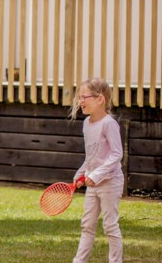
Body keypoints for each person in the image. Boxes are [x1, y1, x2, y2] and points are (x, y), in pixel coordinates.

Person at [70, 78, 124, 263]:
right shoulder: (86, 123)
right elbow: (92, 155)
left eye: (84, 97)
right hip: (93, 183)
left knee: (110, 226)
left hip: (110, 183)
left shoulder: (109, 124)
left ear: (100, 99)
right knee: (87, 225)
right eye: (79, 98)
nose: (81, 101)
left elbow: (116, 154)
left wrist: (96, 175)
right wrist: (81, 173)